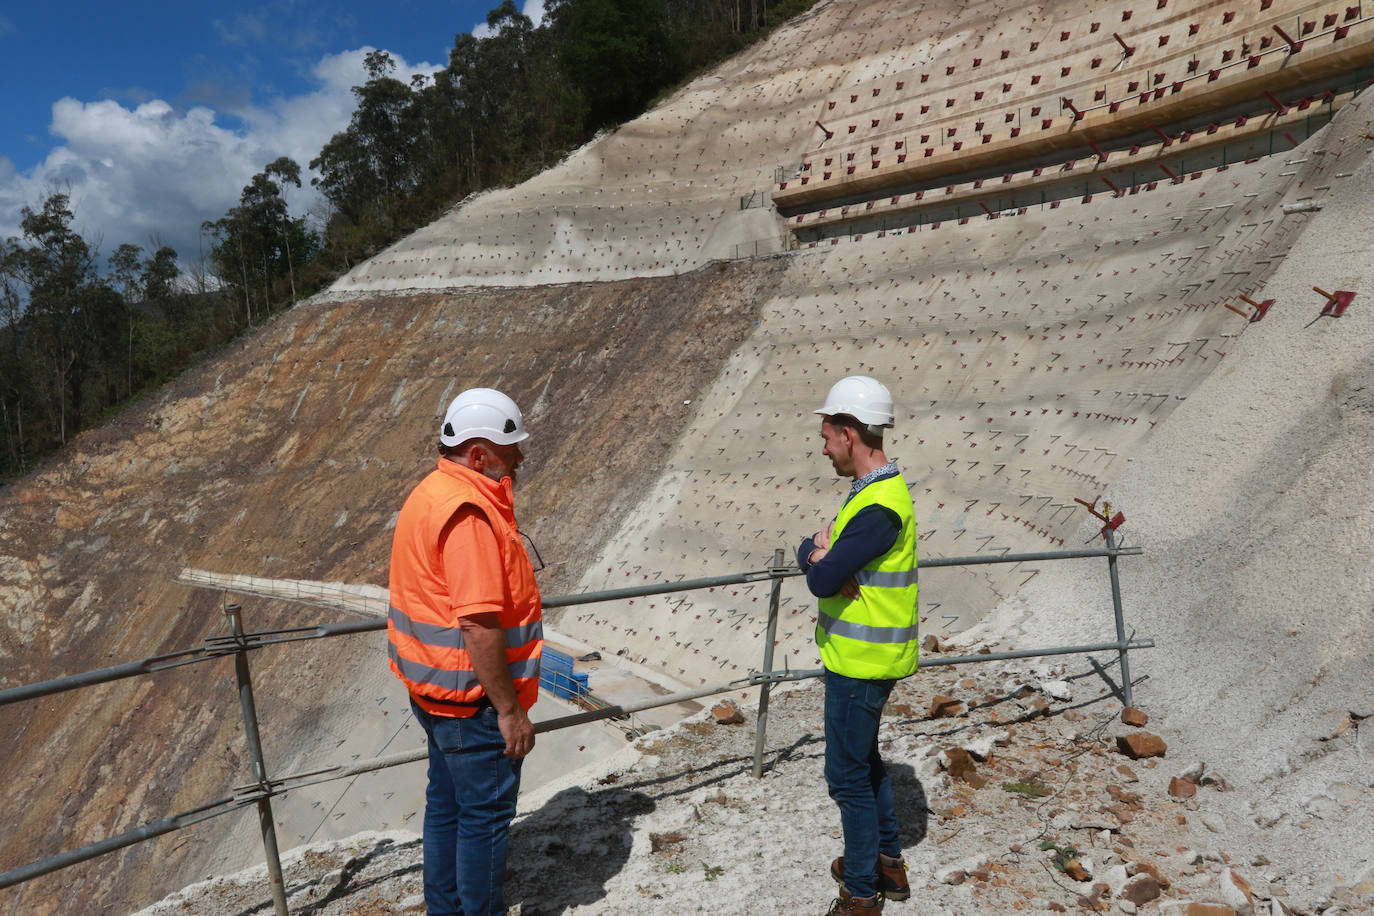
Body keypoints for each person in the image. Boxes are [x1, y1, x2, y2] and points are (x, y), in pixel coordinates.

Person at [387, 387, 543, 916]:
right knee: (485, 818)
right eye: (511, 448)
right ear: (477, 454)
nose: (520, 458)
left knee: (448, 807)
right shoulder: (468, 513)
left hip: (434, 694)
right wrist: (509, 710)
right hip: (474, 705)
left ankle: (445, 909)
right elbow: (478, 624)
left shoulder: (429, 492)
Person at [797, 376, 920, 916]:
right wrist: (817, 551)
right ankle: (888, 864)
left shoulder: (876, 511)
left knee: (846, 776)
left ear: (850, 433)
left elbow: (822, 580)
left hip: (860, 663)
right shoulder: (876, 495)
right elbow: (816, 549)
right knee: (865, 762)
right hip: (870, 658)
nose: (823, 448)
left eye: (827, 436)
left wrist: (822, 559)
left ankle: (862, 891)